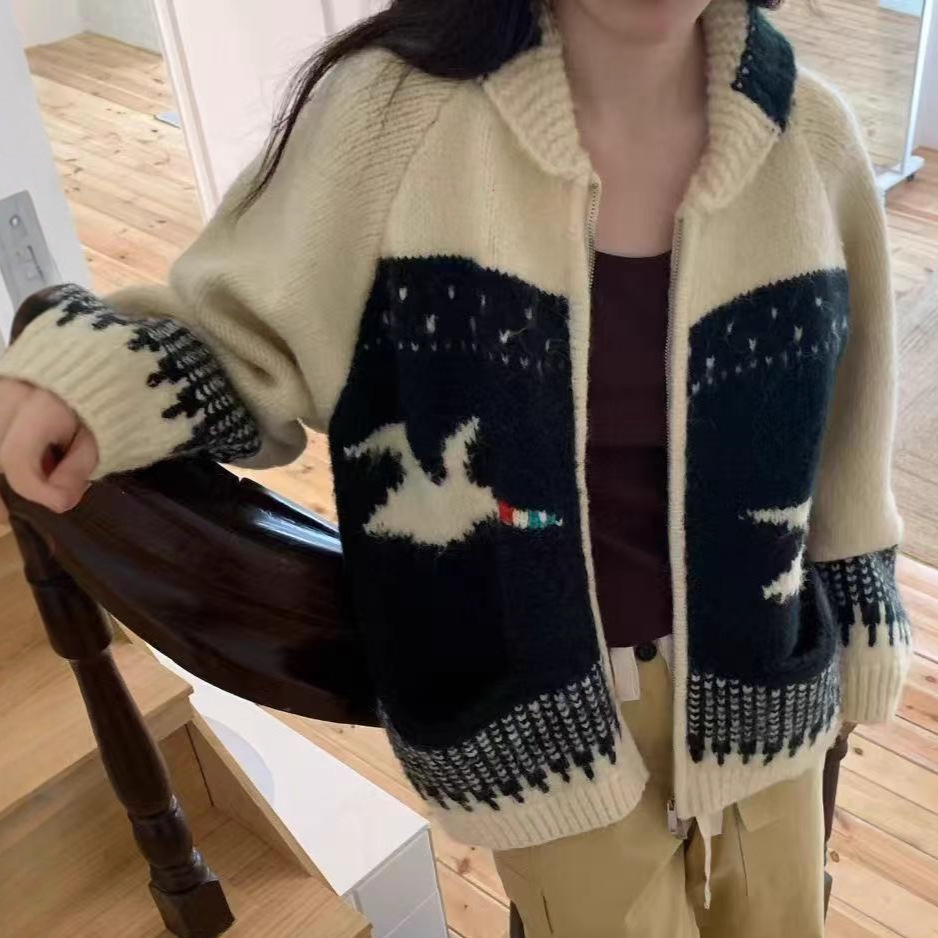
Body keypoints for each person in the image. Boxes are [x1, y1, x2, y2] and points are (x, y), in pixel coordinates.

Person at [0, 0, 911, 934]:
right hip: (534, 715)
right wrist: (93, 380)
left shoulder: (814, 137)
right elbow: (241, 335)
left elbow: (850, 424)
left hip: (768, 689)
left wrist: (865, 626)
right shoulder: (391, 112)